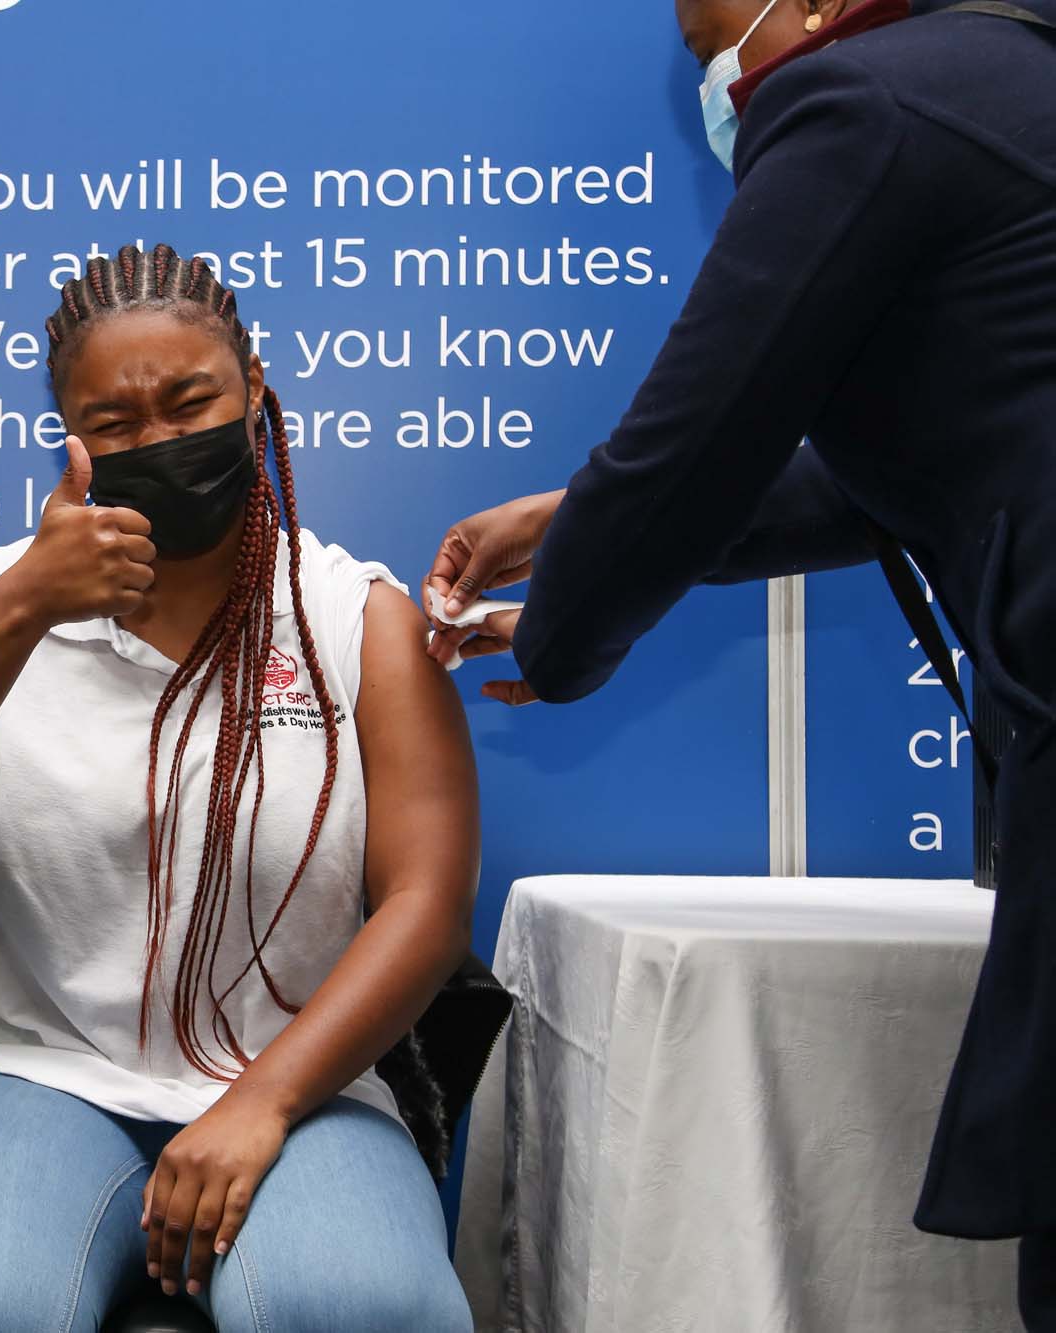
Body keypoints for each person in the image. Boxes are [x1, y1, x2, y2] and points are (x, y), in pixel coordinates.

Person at [420, 2, 1055, 1323]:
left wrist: (563, 629)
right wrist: (573, 528)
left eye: (710, 26)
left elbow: (691, 438)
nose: (711, 70)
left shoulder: (859, 105)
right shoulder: (1004, 77)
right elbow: (915, 456)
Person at [0, 244, 479, 1331]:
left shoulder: (355, 616)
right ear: (70, 438)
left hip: (300, 1087)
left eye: (191, 401)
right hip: (31, 1075)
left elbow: (426, 903)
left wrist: (264, 1099)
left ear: (254, 387)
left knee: (367, 1305)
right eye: (115, 426)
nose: (161, 441)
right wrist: (23, 604)